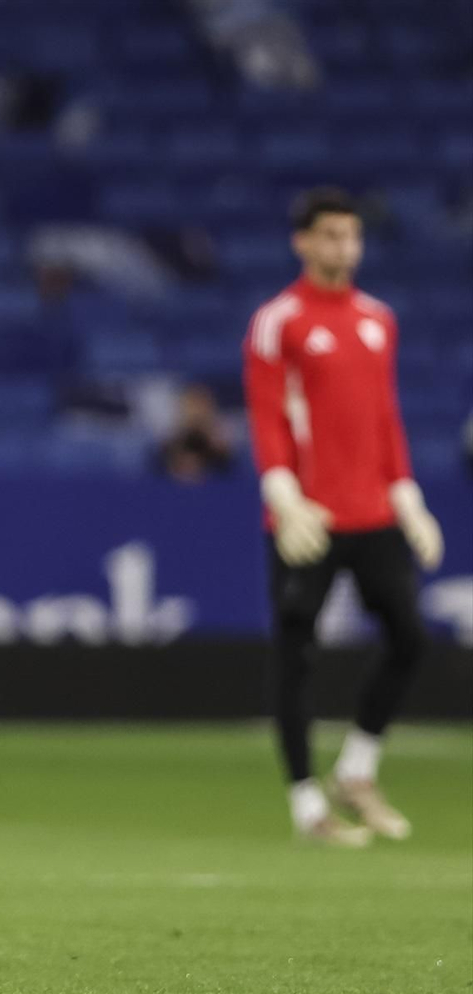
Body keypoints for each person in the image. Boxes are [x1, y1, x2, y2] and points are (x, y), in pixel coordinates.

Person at [243, 187, 444, 847]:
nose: (343, 248)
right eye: (330, 236)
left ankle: (357, 769)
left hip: (373, 511)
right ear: (303, 242)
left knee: (409, 637)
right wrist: (283, 495)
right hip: (310, 516)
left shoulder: (377, 319)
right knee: (296, 651)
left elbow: (384, 416)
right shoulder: (279, 320)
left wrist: (406, 494)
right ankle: (308, 807)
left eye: (351, 236)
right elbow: (268, 414)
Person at [158, 383, 235, 483]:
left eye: (200, 406)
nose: (196, 412)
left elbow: (228, 466)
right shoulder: (168, 437)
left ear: (211, 407)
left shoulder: (224, 435)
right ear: (182, 409)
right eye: (191, 406)